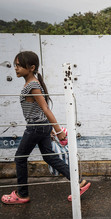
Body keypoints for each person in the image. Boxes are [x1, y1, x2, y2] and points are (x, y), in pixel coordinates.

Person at [1, 51, 90, 204]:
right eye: (15, 65)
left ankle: (22, 194)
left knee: (20, 158)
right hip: (41, 127)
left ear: (31, 67)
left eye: (19, 65)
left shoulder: (33, 85)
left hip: (36, 127)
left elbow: (45, 109)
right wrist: (48, 129)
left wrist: (58, 131)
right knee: (49, 156)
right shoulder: (32, 83)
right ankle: (79, 182)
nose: (15, 68)